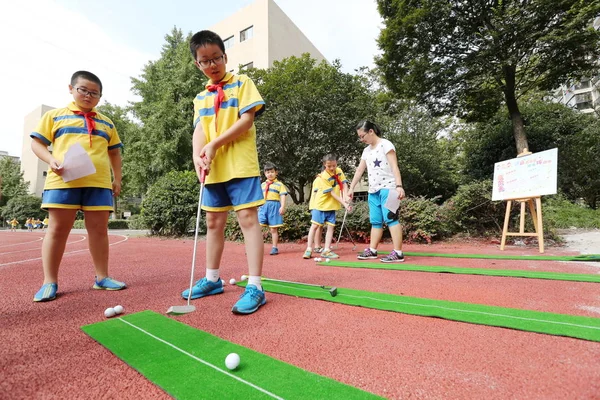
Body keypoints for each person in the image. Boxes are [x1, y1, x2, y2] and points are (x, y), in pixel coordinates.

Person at [181, 30, 267, 315]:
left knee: (247, 219)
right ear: (198, 65)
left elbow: (247, 119)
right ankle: (212, 279)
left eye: (216, 58)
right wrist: (197, 156)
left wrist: (215, 143)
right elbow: (200, 130)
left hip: (240, 164)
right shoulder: (200, 98)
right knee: (214, 224)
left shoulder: (242, 83)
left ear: (225, 56)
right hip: (213, 169)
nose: (212, 64)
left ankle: (255, 285)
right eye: (205, 61)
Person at [30, 70, 126, 302]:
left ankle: (102, 278)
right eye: (83, 90)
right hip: (63, 181)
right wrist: (51, 160)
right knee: (57, 230)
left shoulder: (106, 122)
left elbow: (115, 153)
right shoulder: (55, 116)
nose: (88, 95)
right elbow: (37, 143)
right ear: (71, 89)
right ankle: (49, 281)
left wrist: (117, 178)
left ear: (100, 97)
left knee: (99, 231)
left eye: (94, 93)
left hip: (99, 183)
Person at [347, 120, 406, 263]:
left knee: (391, 218)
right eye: (359, 137)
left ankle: (398, 253)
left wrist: (399, 186)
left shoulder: (386, 144)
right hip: (373, 190)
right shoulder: (366, 151)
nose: (361, 139)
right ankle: (372, 250)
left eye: (362, 136)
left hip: (388, 187)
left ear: (371, 131)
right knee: (375, 222)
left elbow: (394, 166)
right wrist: (351, 187)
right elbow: (360, 169)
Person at [303, 154, 350, 260]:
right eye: (329, 166)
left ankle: (326, 250)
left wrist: (346, 196)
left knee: (331, 227)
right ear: (324, 165)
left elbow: (344, 183)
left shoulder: (339, 171)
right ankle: (309, 249)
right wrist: (344, 203)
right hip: (320, 205)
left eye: (334, 165)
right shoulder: (323, 177)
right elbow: (332, 193)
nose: (332, 168)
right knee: (315, 226)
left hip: (331, 206)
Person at [258, 162, 287, 255]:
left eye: (272, 172)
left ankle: (274, 247)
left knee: (273, 229)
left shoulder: (279, 184)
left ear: (276, 172)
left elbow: (282, 195)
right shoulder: (262, 185)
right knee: (258, 228)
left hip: (274, 206)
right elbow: (259, 196)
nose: (270, 174)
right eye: (267, 172)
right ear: (265, 174)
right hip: (263, 206)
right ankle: (255, 248)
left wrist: (282, 206)